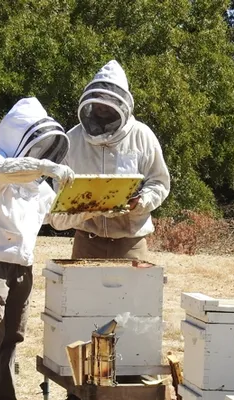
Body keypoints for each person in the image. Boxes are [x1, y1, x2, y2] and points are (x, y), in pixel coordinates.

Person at [0, 97, 75, 400]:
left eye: (45, 147)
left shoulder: (38, 188)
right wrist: (46, 168)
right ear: (19, 136)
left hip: (21, 266)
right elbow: (5, 171)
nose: (41, 152)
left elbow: (58, 219)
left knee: (11, 336)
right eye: (36, 144)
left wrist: (98, 203)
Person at [50, 59, 171, 260]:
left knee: (133, 292)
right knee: (83, 292)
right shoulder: (73, 139)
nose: (103, 105)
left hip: (130, 241)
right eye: (99, 98)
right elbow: (58, 185)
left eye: (109, 100)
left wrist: (140, 202)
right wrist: (82, 204)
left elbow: (159, 182)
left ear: (122, 102)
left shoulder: (142, 135)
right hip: (87, 239)